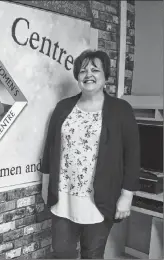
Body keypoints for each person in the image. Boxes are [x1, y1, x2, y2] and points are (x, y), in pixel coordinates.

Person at [40, 49, 140, 259]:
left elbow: (132, 155)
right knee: (61, 253)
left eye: (95, 70)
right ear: (77, 76)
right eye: (83, 70)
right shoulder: (63, 107)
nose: (88, 75)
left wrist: (126, 196)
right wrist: (45, 183)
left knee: (92, 255)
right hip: (64, 198)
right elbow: (50, 148)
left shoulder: (121, 110)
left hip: (99, 200)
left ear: (105, 77)